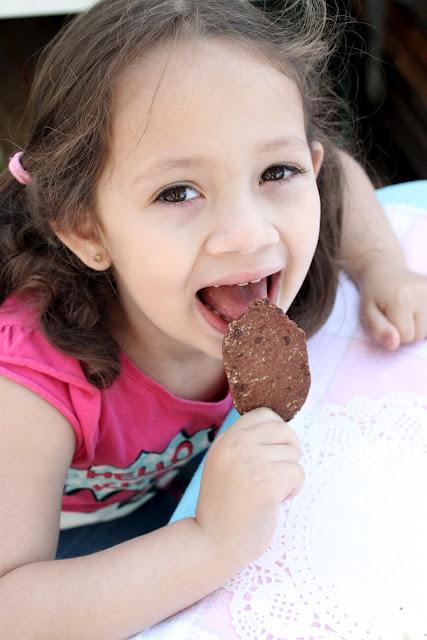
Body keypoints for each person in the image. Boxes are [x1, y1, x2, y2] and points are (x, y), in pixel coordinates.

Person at [0, 0, 425, 637]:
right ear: (87, 229)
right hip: (76, 536)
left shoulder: (290, 225)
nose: (248, 232)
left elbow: (337, 174)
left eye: (275, 171)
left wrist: (383, 267)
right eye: (178, 191)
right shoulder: (36, 384)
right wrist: (209, 544)